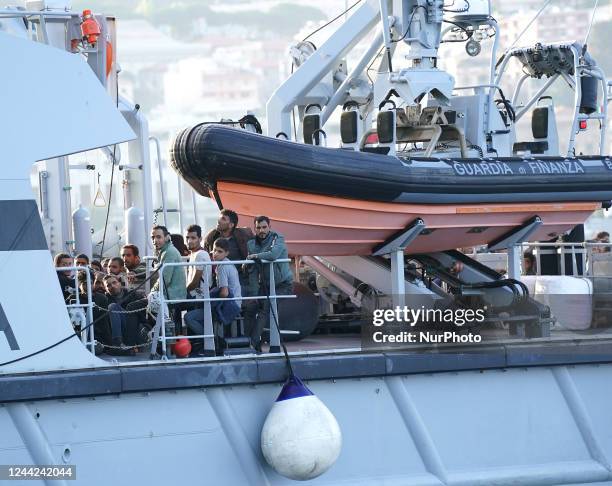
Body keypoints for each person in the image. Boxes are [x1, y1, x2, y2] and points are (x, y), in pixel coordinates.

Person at [126, 226, 186, 340]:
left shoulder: (169, 253)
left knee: (131, 307)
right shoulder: (165, 251)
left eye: (158, 237)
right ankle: (146, 337)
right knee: (137, 305)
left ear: (167, 238)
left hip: (172, 296)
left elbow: (165, 280)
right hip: (170, 294)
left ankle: (131, 344)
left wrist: (151, 293)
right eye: (153, 237)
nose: (155, 240)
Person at [243, 216, 293, 352]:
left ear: (269, 227)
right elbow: (253, 272)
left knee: (265, 307)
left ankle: (252, 344)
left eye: (264, 227)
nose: (261, 230)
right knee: (249, 309)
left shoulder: (278, 238)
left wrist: (256, 256)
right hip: (265, 285)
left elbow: (273, 255)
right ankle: (250, 343)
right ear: (255, 229)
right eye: (258, 227)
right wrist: (253, 295)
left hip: (283, 284)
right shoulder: (251, 244)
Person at [184, 238, 241, 350]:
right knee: (202, 307)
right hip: (235, 301)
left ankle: (210, 340)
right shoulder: (227, 263)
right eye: (214, 250)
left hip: (230, 305)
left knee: (189, 317)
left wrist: (209, 300)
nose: (215, 254)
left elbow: (224, 293)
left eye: (220, 251)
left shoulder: (222, 267)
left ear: (227, 253)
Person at [104, 274, 143, 349]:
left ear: (119, 283)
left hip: (135, 329)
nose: (112, 286)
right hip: (117, 333)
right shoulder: (105, 300)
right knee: (112, 306)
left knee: (113, 306)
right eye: (108, 285)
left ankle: (118, 343)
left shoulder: (133, 294)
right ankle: (118, 343)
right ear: (105, 289)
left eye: (114, 282)